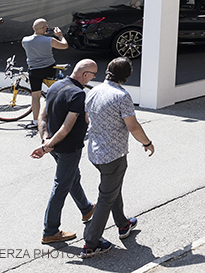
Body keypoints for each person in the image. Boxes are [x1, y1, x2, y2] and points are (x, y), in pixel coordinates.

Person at [81, 57, 154, 259]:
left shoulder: (93, 91)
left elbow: (88, 119)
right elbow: (133, 126)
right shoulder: (122, 96)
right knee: (106, 197)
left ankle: (123, 224)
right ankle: (91, 243)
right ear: (126, 75)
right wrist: (147, 143)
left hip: (94, 152)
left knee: (112, 188)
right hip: (113, 154)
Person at [32, 59, 98, 245]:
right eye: (93, 75)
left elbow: (42, 115)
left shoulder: (56, 85)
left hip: (54, 145)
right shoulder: (78, 94)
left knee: (72, 177)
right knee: (61, 186)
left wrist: (45, 139)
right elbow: (66, 128)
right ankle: (50, 231)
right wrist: (46, 146)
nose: (94, 78)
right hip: (68, 147)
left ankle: (86, 209)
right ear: (85, 75)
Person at [22, 18, 69, 130]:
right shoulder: (49, 40)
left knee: (35, 96)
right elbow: (64, 45)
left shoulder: (25, 40)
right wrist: (60, 35)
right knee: (55, 93)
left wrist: (41, 34)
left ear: (33, 28)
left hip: (34, 70)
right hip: (49, 69)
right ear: (45, 28)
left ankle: (35, 121)